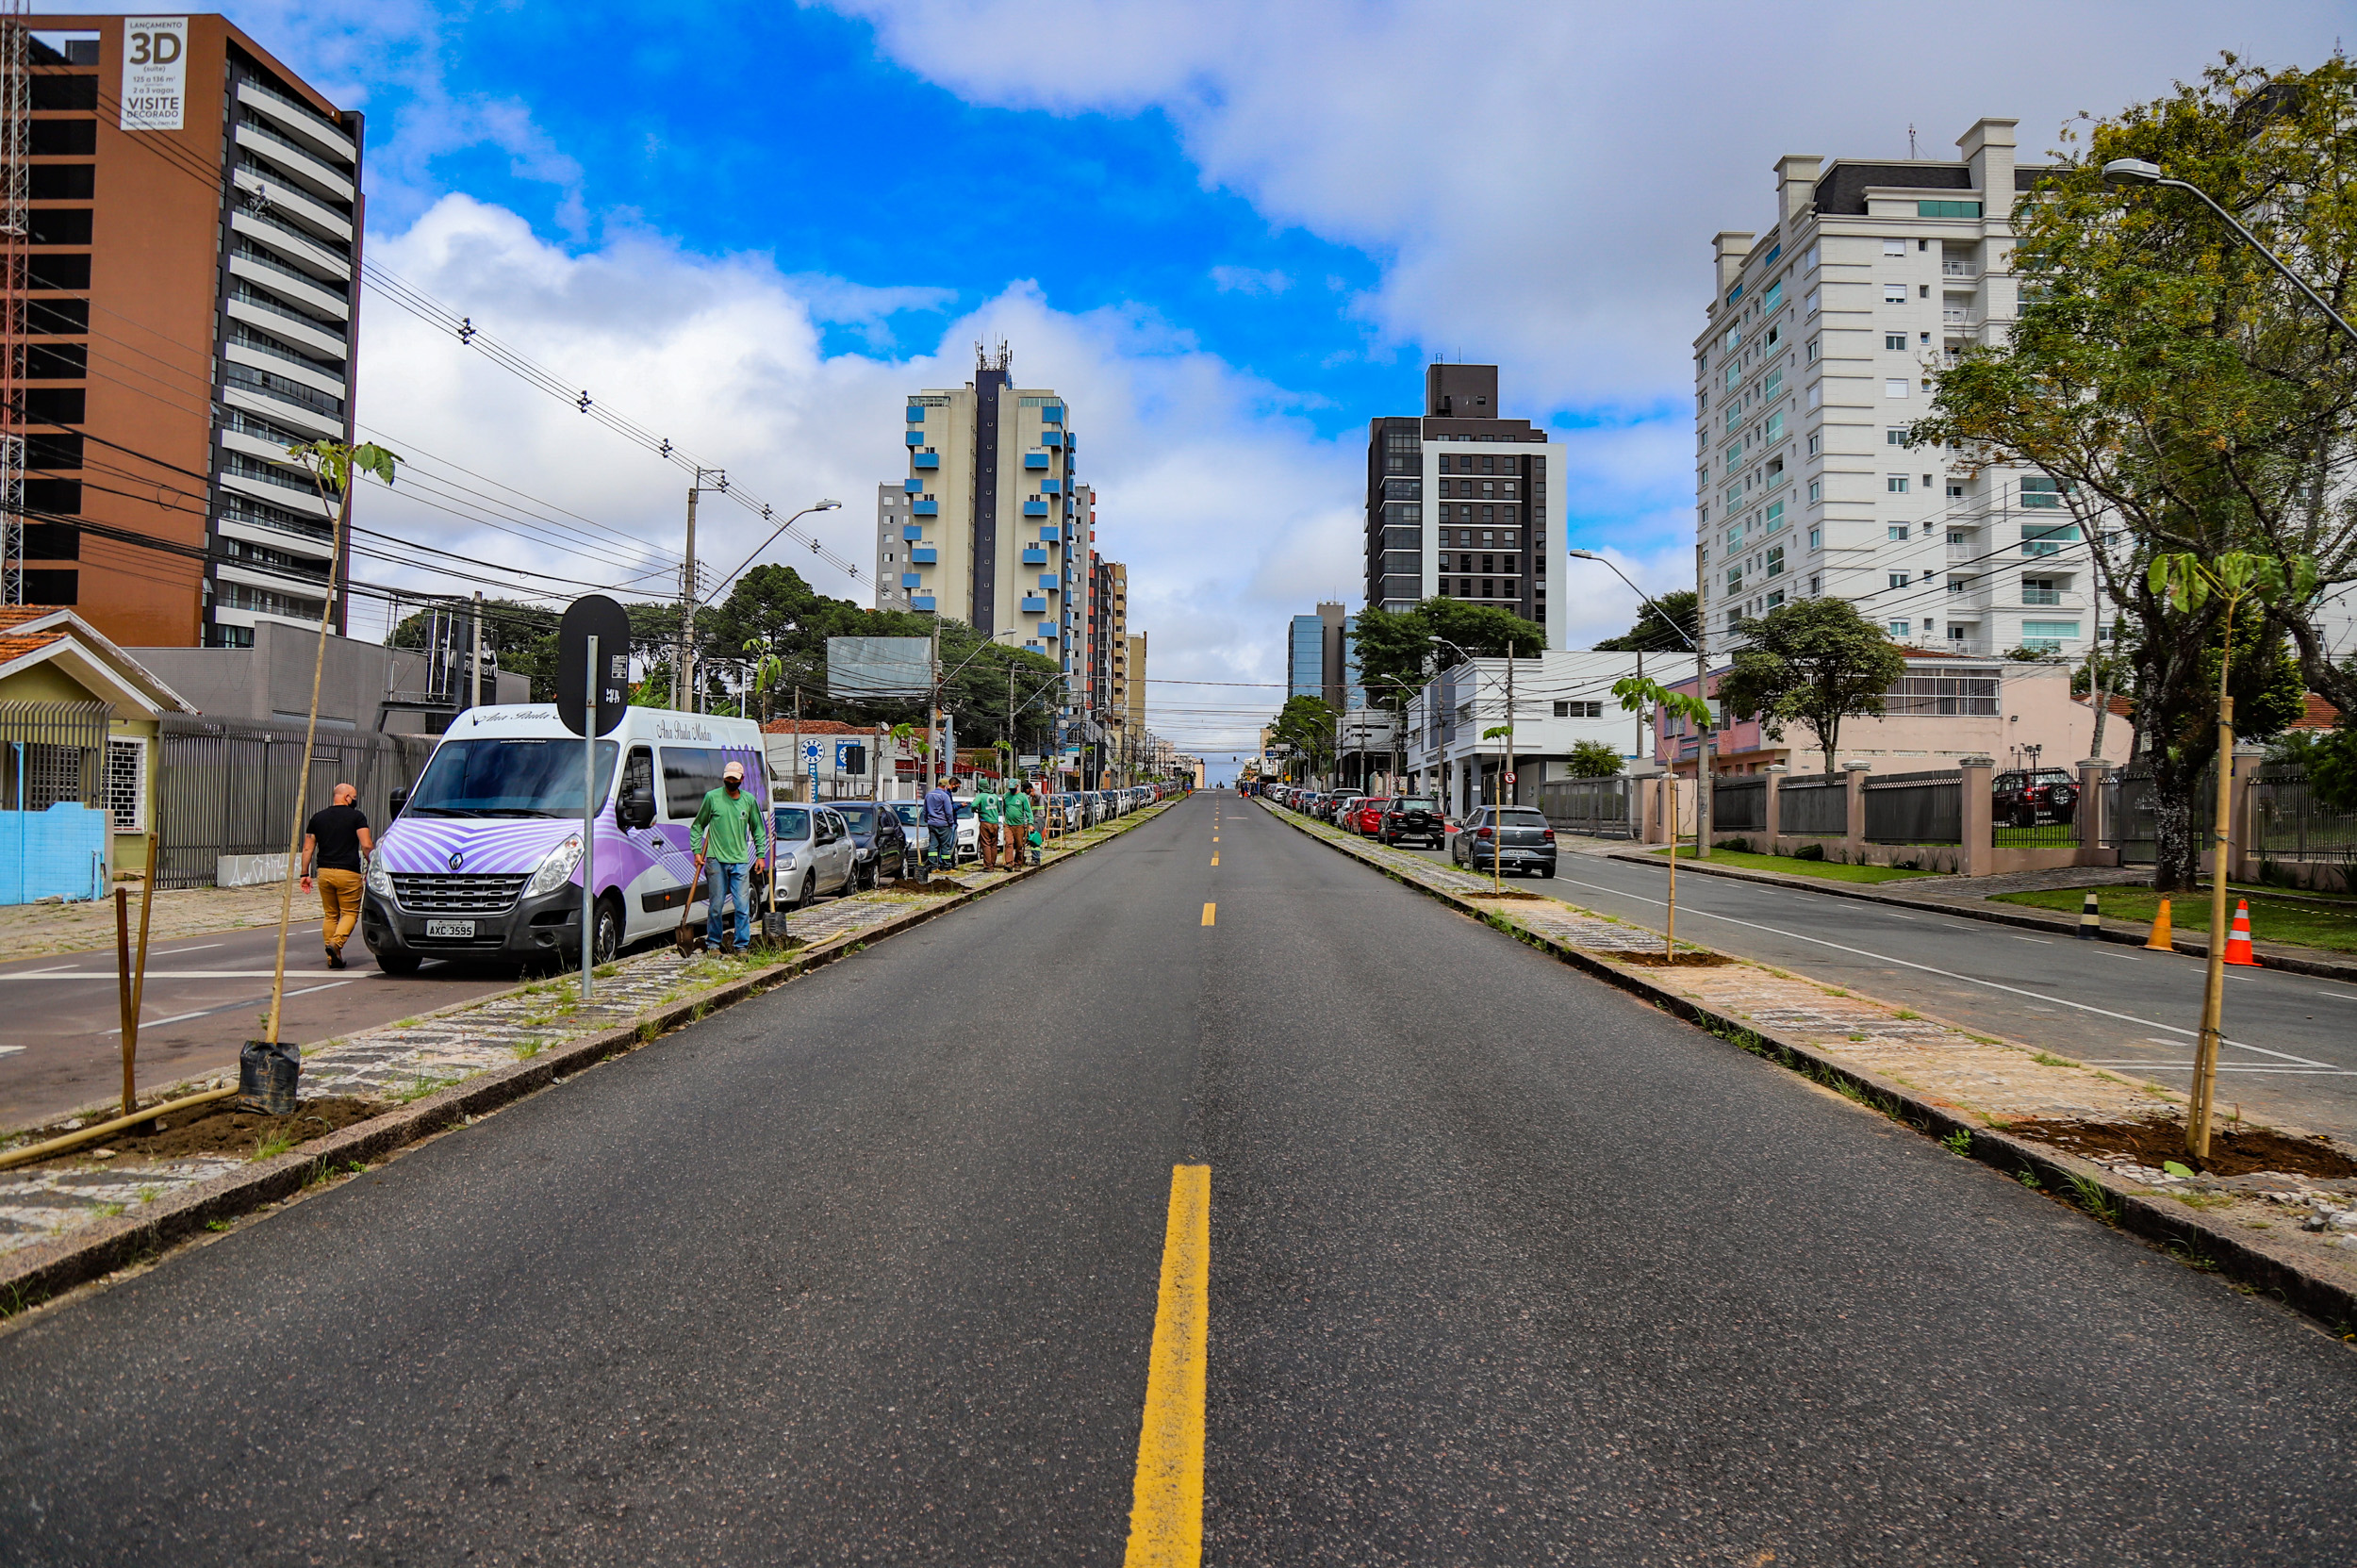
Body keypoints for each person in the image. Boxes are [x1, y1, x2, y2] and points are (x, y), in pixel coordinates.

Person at [690, 759, 767, 954]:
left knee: (742, 906)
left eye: (734, 778)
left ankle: (741, 946)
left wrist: (760, 855)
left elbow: (758, 829)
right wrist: (697, 852)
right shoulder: (712, 798)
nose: (731, 782)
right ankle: (713, 944)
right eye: (728, 778)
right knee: (716, 907)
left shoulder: (748, 801)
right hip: (716, 860)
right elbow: (697, 826)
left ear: (742, 779)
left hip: (740, 861)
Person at [299, 782, 372, 969]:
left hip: (324, 872)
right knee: (349, 913)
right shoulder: (357, 817)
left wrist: (304, 873)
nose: (355, 801)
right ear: (347, 797)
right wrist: (373, 864)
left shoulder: (317, 818)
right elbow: (366, 845)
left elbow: (308, 848)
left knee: (331, 915)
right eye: (354, 798)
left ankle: (333, 957)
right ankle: (336, 944)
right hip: (348, 872)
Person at [922, 774, 958, 870]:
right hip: (943, 824)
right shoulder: (945, 796)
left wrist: (927, 820)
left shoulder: (928, 795)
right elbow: (949, 812)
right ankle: (946, 866)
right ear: (946, 786)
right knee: (945, 846)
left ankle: (933, 866)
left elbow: (924, 810)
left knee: (933, 846)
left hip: (932, 824)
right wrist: (951, 822)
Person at [1002, 778, 1033, 867]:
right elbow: (1005, 809)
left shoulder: (1022, 797)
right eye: (1010, 788)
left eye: (1013, 788)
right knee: (1008, 843)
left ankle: (1018, 862)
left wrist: (1030, 823)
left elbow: (1028, 811)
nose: (1011, 790)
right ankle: (1009, 863)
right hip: (1008, 824)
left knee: (1019, 845)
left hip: (1019, 825)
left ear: (1017, 786)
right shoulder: (1006, 796)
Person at [974, 775, 1002, 869]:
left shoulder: (981, 796)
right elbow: (999, 809)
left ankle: (988, 865)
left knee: (986, 844)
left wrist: (976, 809)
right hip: (995, 823)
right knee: (994, 845)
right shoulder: (994, 796)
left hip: (985, 822)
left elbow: (973, 805)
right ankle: (993, 864)